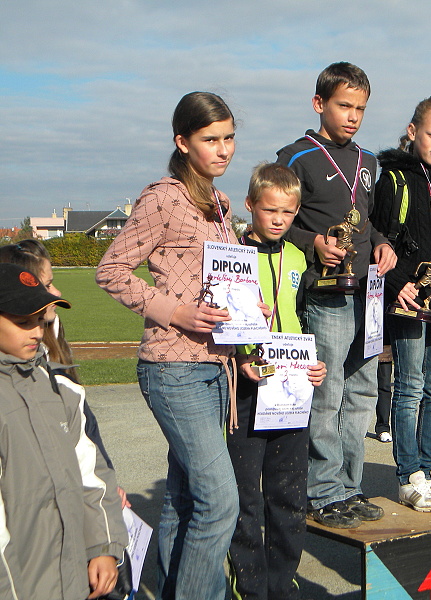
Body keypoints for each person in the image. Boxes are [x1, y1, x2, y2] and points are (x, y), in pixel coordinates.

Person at [96, 91, 241, 599]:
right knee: (220, 502)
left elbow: (221, 281)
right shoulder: (162, 197)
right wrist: (175, 312)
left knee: (186, 499)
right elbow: (111, 270)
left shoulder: (220, 204)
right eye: (210, 139)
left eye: (229, 138)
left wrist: (249, 309)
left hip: (216, 366)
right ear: (182, 142)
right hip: (173, 367)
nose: (223, 149)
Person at [276, 62, 397, 529]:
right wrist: (314, 243)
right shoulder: (296, 157)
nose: (353, 116)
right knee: (327, 393)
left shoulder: (369, 161)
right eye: (344, 106)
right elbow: (277, 222)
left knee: (363, 392)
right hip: (326, 293)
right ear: (318, 103)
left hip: (368, 292)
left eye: (360, 109)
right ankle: (322, 491)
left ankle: (350, 485)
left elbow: (368, 220)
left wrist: (382, 243)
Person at [227, 162, 327, 600]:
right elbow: (219, 321)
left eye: (288, 212)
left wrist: (314, 364)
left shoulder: (299, 258)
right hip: (247, 391)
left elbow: (305, 320)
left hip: (291, 390)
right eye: (270, 210)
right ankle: (250, 588)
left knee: (288, 496)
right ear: (251, 205)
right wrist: (241, 355)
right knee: (245, 497)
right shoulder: (232, 255)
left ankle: (282, 585)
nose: (278, 220)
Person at [0, 263, 128, 599]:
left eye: (39, 320)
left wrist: (102, 545)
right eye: (23, 322)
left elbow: (91, 475)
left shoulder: (60, 390)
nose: (36, 332)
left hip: (70, 582)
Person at [370, 96, 431, 511]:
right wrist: (397, 283)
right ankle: (408, 474)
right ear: (413, 131)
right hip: (409, 297)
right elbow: (377, 239)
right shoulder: (394, 178)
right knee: (409, 386)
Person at [0, 240, 130, 506]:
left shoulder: (52, 335)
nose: (56, 293)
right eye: (46, 286)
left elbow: (84, 433)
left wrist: (103, 483)